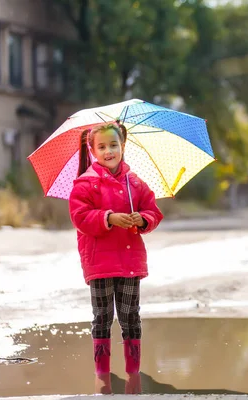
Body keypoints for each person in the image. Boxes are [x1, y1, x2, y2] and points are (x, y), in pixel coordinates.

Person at [68, 121, 163, 394]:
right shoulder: (85, 183)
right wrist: (109, 217)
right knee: (102, 315)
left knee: (130, 314)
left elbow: (153, 211)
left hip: (130, 262)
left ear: (123, 146)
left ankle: (133, 371)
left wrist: (142, 219)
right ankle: (102, 372)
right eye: (102, 147)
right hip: (99, 262)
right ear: (92, 150)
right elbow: (80, 217)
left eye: (113, 145)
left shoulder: (135, 183)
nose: (108, 151)